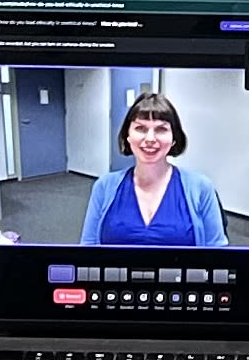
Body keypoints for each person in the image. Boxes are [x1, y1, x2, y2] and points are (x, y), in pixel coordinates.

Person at [82, 90, 229, 249]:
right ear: (127, 136)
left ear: (174, 138)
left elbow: (218, 254)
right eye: (140, 128)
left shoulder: (201, 188)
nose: (150, 139)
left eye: (161, 129)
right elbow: (87, 249)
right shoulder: (104, 186)